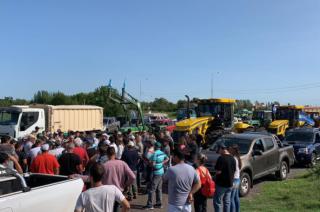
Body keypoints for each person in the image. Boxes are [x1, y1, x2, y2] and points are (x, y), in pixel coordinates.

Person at [102, 147, 136, 212]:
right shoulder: (122, 163)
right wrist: (127, 184)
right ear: (115, 154)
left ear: (107, 154)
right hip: (119, 190)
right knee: (116, 208)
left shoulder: (104, 165)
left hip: (107, 192)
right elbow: (133, 177)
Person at [143, 142, 169, 210]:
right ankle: (159, 203)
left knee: (152, 189)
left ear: (155, 146)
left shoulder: (154, 154)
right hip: (161, 172)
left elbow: (153, 164)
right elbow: (167, 158)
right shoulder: (162, 153)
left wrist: (148, 163)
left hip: (156, 172)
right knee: (159, 189)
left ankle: (150, 205)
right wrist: (162, 163)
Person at [213, 143, 236, 212]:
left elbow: (218, 171)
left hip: (221, 184)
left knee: (217, 202)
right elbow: (234, 170)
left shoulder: (221, 158)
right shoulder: (232, 158)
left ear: (222, 149)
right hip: (230, 184)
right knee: (227, 202)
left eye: (219, 150)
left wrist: (213, 177)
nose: (218, 152)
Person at [229, 145, 242, 212]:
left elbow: (232, 170)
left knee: (231, 198)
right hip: (238, 179)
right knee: (236, 197)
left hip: (234, 180)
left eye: (230, 149)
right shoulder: (238, 157)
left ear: (234, 150)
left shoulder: (233, 158)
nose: (229, 150)